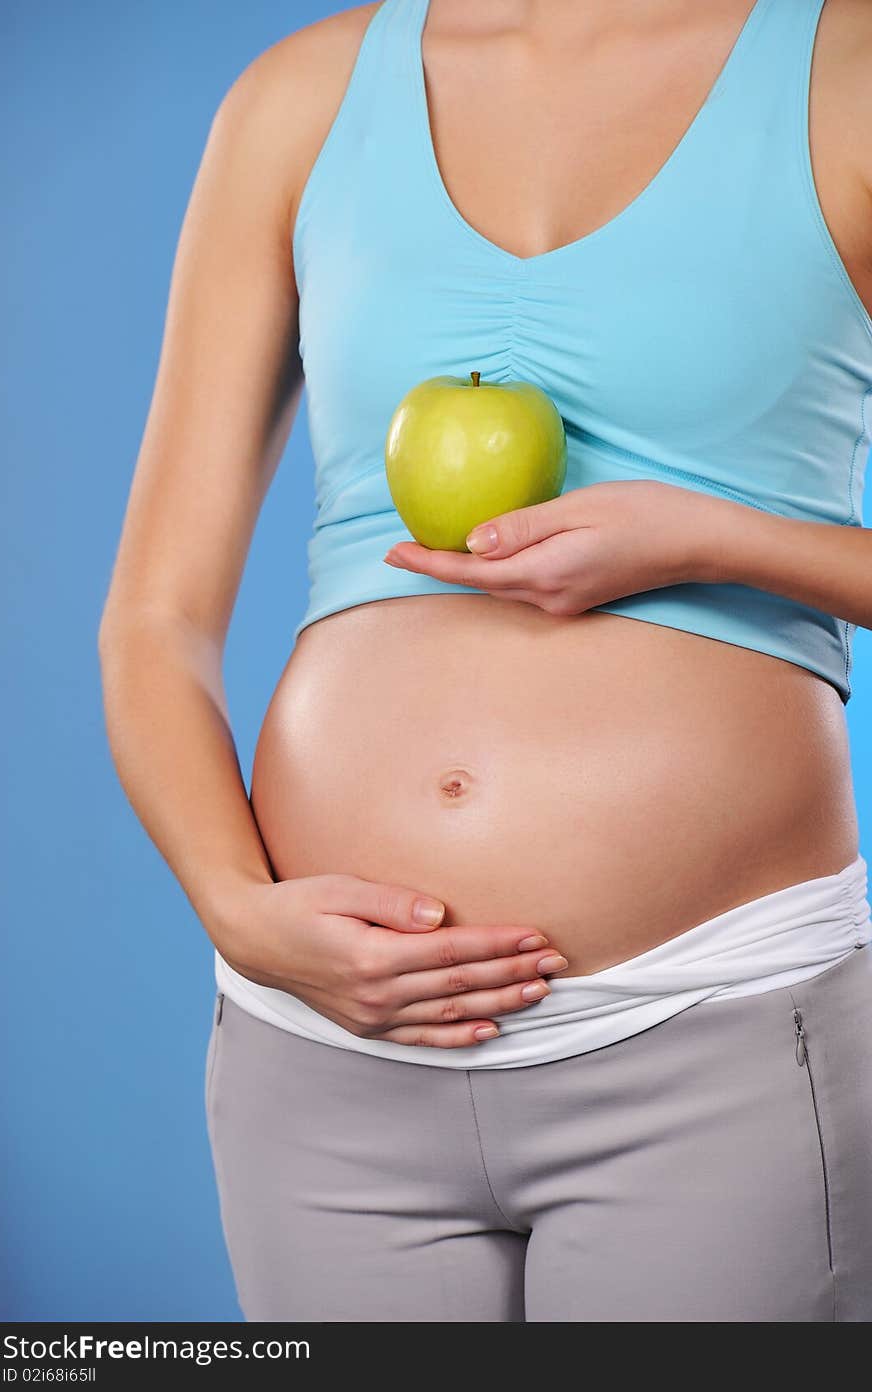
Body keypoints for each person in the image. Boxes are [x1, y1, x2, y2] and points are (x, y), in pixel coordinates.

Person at [98, 0, 872, 1322]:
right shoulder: (301, 97)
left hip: (712, 1037)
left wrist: (715, 535)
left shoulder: (845, 70)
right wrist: (235, 908)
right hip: (324, 1048)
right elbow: (153, 618)